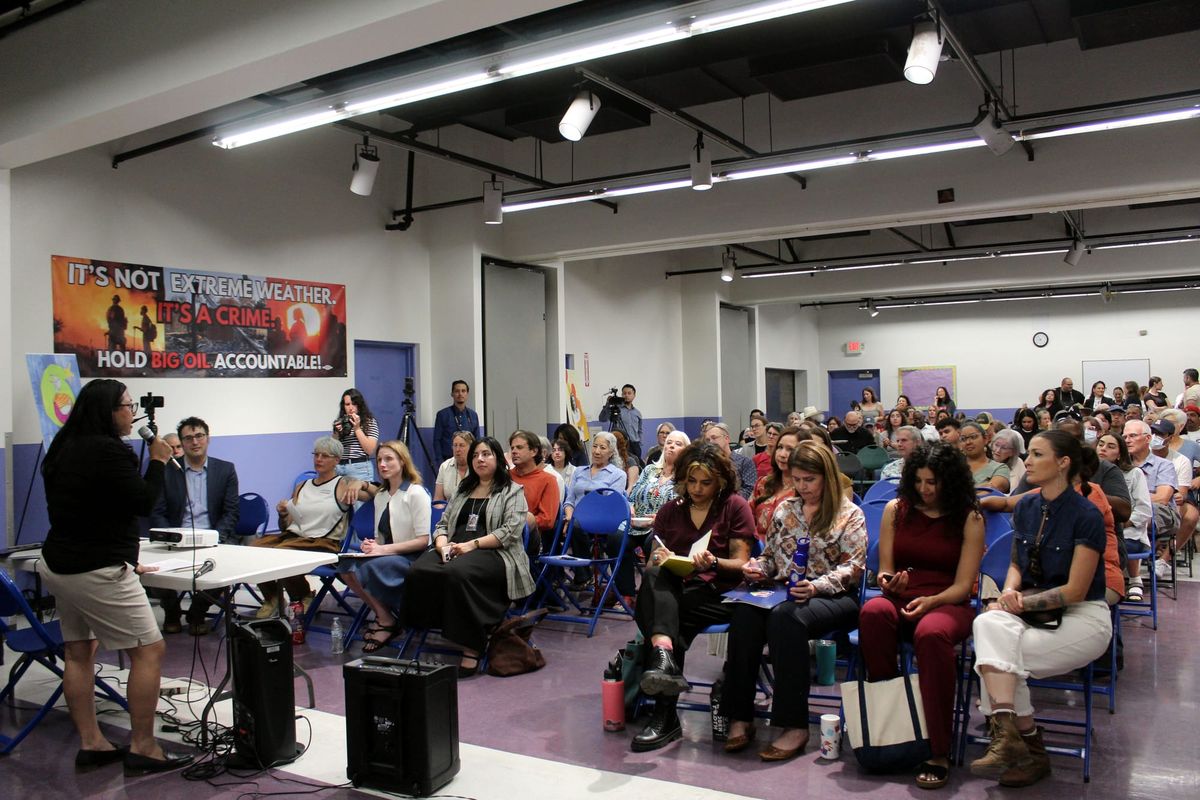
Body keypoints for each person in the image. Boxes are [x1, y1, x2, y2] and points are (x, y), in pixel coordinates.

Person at [36, 379, 193, 774]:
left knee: (78, 650)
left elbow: (90, 508)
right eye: (126, 406)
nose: (132, 414)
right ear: (108, 411)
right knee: (148, 650)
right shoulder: (109, 451)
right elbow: (141, 501)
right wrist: (157, 461)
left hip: (61, 563)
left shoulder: (63, 445)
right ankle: (143, 747)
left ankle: (92, 743)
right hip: (98, 568)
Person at [969, 431, 1112, 788]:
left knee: (997, 660)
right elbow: (1017, 561)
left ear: (1063, 463)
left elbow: (1076, 589)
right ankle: (1020, 743)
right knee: (987, 626)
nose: (1027, 461)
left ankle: (1021, 745)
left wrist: (1020, 603)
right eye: (1028, 454)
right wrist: (1008, 592)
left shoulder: (1087, 515)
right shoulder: (1029, 506)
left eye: (1036, 454)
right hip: (1030, 609)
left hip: (1083, 617)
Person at [723, 442, 866, 761]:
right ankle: (740, 715)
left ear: (826, 477)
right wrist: (757, 568)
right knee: (745, 613)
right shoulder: (786, 510)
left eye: (809, 480)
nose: (802, 487)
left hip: (835, 597)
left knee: (786, 618)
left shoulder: (849, 514)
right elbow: (772, 557)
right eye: (797, 480)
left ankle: (794, 725)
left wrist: (815, 588)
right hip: (786, 590)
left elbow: (853, 568)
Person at [860, 444, 984, 789]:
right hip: (901, 597)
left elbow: (963, 586)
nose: (924, 490)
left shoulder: (969, 517)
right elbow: (885, 571)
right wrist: (889, 583)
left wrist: (931, 601)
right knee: (872, 612)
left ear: (950, 482)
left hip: (947, 603)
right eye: (918, 481)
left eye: (933, 482)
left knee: (931, 635)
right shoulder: (895, 510)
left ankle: (938, 748)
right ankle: (894, 723)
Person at [631, 443, 754, 752]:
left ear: (721, 481)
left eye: (705, 482)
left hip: (722, 593)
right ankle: (664, 659)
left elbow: (741, 564)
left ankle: (664, 710)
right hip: (682, 591)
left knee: (666, 613)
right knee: (659, 586)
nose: (697, 489)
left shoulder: (735, 506)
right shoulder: (671, 512)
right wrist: (660, 558)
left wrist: (713, 562)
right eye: (690, 481)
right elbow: (651, 571)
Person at [403, 437, 533, 677]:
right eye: (475, 455)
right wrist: (442, 546)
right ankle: (438, 625)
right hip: (455, 547)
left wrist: (471, 545)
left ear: (498, 459)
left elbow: (509, 532)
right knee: (418, 570)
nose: (480, 459)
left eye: (486, 454)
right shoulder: (463, 490)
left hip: (494, 552)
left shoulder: (512, 491)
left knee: (456, 573)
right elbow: (442, 525)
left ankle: (471, 646)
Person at [148, 416, 240, 636]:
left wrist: (216, 537)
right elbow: (157, 512)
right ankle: (171, 611)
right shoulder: (167, 472)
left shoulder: (225, 470)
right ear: (181, 443)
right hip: (177, 539)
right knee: (152, 568)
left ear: (208, 439)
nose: (194, 442)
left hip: (214, 539)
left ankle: (198, 612)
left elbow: (231, 511)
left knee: (226, 567)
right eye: (188, 438)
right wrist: (168, 538)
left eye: (199, 436)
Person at [252, 436, 357, 618]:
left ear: (336, 460)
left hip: (326, 541)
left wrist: (360, 483)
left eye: (325, 456)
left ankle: (303, 595)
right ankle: (273, 598)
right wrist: (283, 514)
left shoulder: (343, 484)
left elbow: (375, 492)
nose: (319, 459)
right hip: (296, 537)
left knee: (283, 554)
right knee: (255, 548)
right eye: (316, 455)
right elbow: (287, 526)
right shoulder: (302, 486)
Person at [342, 440, 431, 652]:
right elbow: (380, 537)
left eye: (389, 459)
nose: (382, 464)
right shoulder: (381, 495)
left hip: (413, 558)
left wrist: (382, 550)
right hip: (388, 554)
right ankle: (385, 616)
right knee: (345, 565)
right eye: (379, 460)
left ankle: (386, 622)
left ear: (402, 461)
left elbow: (423, 541)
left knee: (367, 567)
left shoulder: (415, 493)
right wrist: (371, 545)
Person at [1096, 432, 1152, 601]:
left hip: (1127, 531)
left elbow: (1144, 509)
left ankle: (1134, 580)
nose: (1103, 448)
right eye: (1101, 444)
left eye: (1110, 446)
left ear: (1120, 454)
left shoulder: (1134, 474)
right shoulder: (1086, 472)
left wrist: (1123, 522)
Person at [507, 430, 561, 559]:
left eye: (519, 447)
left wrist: (519, 522)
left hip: (531, 536)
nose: (514, 451)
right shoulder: (505, 476)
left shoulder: (548, 480)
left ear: (534, 451)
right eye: (512, 448)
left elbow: (547, 520)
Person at [750, 426, 801, 540]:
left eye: (790, 449)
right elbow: (747, 517)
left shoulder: (805, 489)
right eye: (780, 447)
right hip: (755, 547)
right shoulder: (763, 483)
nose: (782, 454)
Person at [332, 388, 379, 482]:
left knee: (359, 496)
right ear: (343, 406)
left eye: (354, 404)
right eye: (347, 404)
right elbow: (333, 450)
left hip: (359, 467)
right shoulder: (341, 422)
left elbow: (370, 450)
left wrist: (357, 428)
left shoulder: (369, 421)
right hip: (339, 467)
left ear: (359, 405)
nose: (351, 407)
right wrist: (337, 433)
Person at [703, 422, 757, 500]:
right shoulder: (707, 464)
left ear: (727, 439)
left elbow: (749, 490)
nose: (711, 442)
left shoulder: (744, 462)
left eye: (714, 438)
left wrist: (726, 499)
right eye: (707, 440)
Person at [432, 380, 480, 463]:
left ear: (467, 394)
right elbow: (437, 440)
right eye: (457, 391)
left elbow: (477, 440)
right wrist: (440, 462)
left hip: (469, 461)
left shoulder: (473, 415)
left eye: (463, 391)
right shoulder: (442, 415)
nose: (460, 394)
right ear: (452, 394)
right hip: (448, 460)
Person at [959, 421, 1010, 492]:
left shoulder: (999, 468)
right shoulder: (953, 468)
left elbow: (990, 491)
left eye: (973, 437)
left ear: (985, 439)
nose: (968, 442)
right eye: (963, 439)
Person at [598, 383, 643, 459]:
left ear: (634, 395)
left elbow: (640, 430)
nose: (626, 395)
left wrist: (640, 443)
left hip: (635, 445)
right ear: (621, 395)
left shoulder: (637, 413)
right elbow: (602, 419)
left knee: (635, 467)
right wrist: (607, 404)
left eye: (629, 393)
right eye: (624, 393)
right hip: (621, 445)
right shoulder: (616, 410)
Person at [434, 430, 473, 502]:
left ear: (471, 448)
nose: (457, 449)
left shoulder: (478, 466)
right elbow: (438, 500)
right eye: (455, 445)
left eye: (461, 445)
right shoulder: (444, 466)